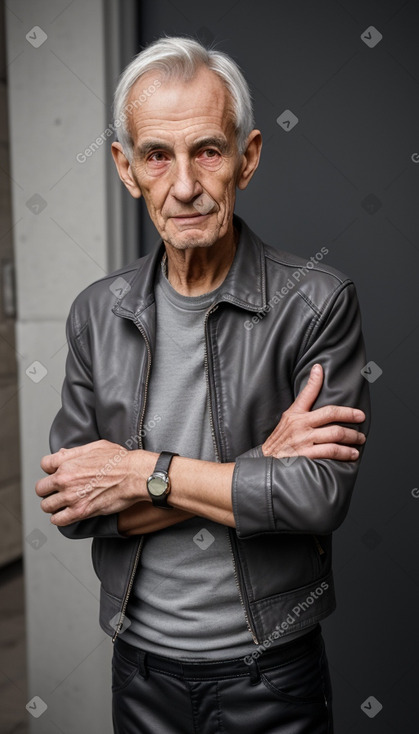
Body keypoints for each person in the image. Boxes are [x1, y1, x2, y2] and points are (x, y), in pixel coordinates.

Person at [36, 36, 370, 734]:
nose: (183, 186)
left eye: (207, 152)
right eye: (157, 155)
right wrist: (251, 472)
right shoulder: (98, 312)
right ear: (126, 169)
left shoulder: (317, 302)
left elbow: (315, 497)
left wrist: (136, 474)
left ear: (246, 157)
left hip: (270, 671)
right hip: (141, 666)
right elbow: (73, 505)